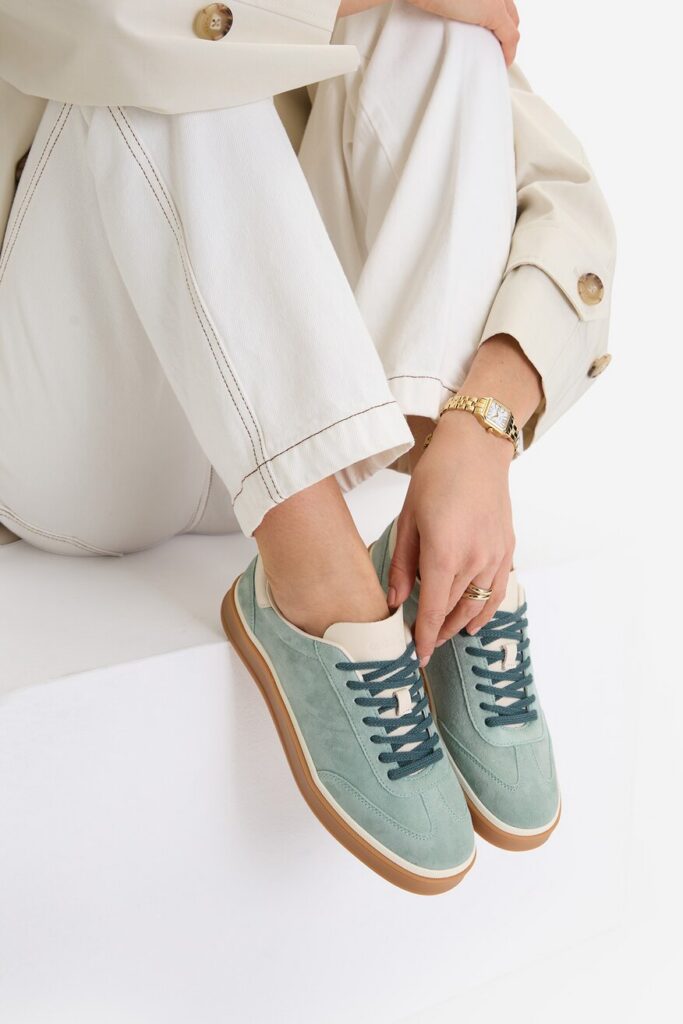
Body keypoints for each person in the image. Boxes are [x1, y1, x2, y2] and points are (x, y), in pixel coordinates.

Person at [0, 0, 615, 893]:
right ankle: (315, 576)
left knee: (446, 36)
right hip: (80, 437)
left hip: (302, 412)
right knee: (171, 34)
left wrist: (479, 432)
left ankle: (440, 555)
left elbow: (559, 194)